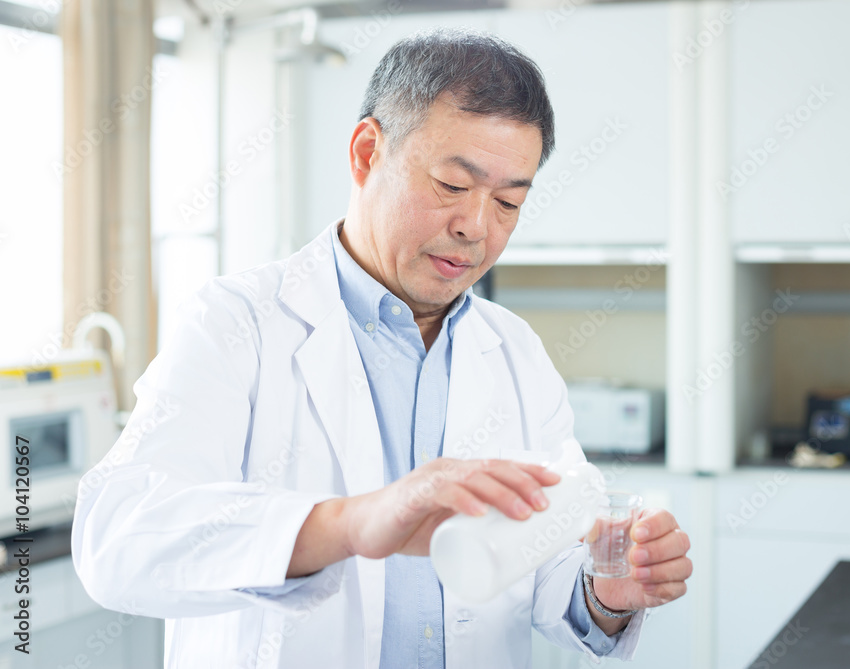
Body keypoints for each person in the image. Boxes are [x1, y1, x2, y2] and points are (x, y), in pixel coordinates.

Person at [71, 27, 692, 669]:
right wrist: (347, 524)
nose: (476, 227)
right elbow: (116, 537)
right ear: (368, 153)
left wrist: (604, 594)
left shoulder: (514, 352)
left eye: (508, 202)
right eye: (453, 185)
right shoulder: (236, 325)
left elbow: (545, 558)